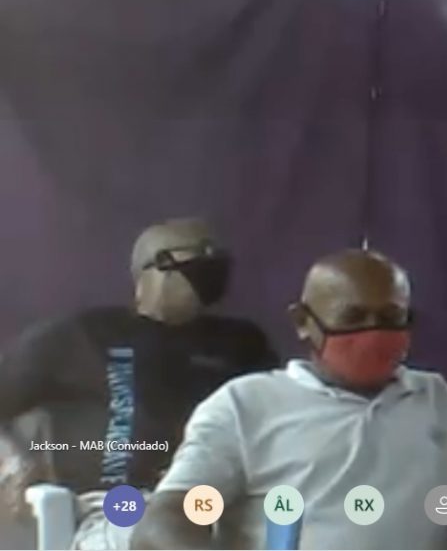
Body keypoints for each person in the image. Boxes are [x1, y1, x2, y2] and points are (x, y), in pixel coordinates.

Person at [131, 249, 447, 550]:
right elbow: (166, 522)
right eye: (353, 318)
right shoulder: (244, 405)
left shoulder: (438, 399)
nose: (373, 333)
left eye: (390, 317)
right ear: (303, 323)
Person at [0, 219, 275, 550]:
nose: (213, 268)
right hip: (120, 508)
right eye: (201, 257)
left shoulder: (243, 343)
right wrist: (14, 464)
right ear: (154, 267)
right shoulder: (85, 333)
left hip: (219, 505)